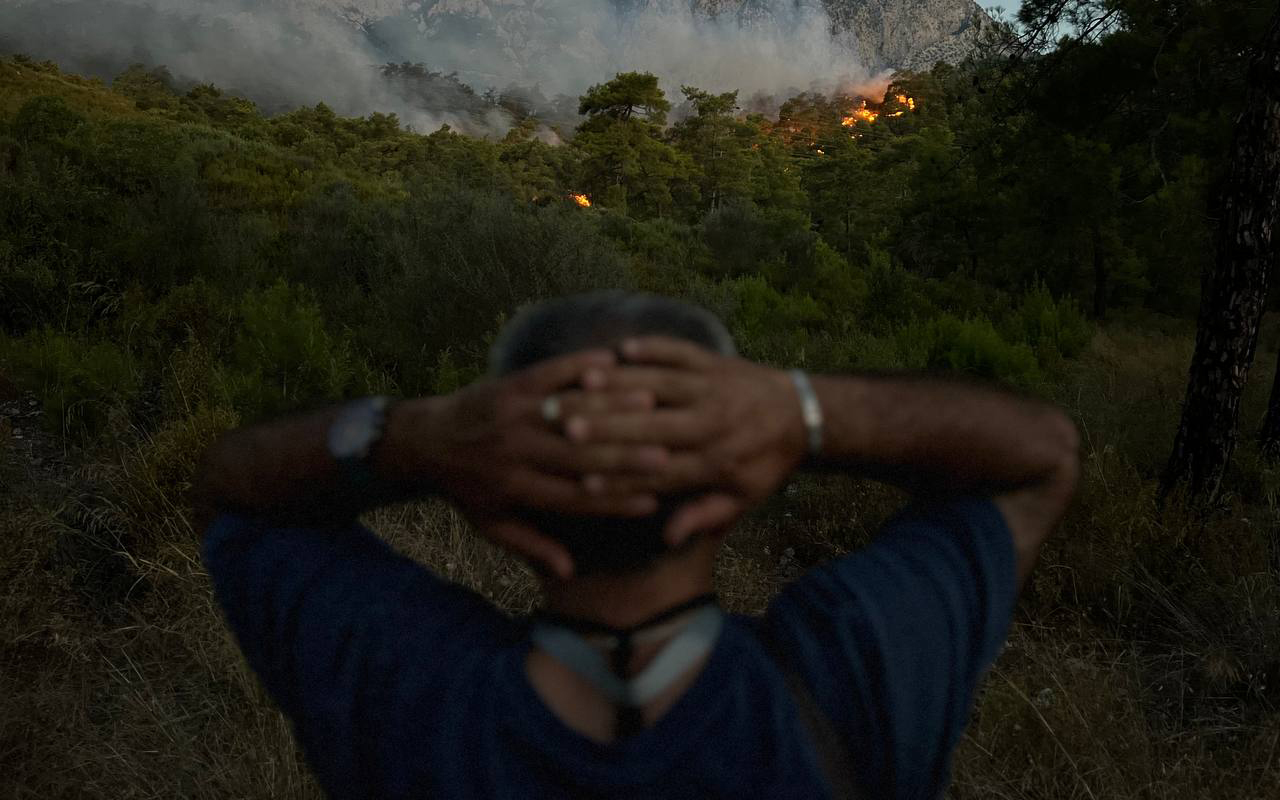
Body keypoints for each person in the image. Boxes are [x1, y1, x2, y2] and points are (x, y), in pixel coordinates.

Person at [195, 291, 1080, 799]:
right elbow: (1038, 457)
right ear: (725, 504)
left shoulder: (405, 695)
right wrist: (800, 412)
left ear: (506, 510)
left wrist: (418, 437)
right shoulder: (855, 678)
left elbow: (234, 490)